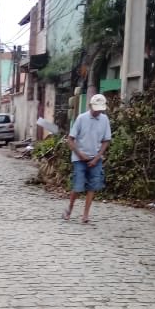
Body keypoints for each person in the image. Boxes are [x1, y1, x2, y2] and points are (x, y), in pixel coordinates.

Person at [63, 93, 112, 224]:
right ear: (90, 106)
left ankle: (85, 215)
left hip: (95, 158)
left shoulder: (104, 119)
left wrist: (97, 158)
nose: (98, 112)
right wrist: (80, 154)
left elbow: (106, 140)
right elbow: (70, 139)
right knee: (78, 186)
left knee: (92, 187)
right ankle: (70, 208)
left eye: (100, 109)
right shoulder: (81, 118)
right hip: (79, 158)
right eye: (96, 109)